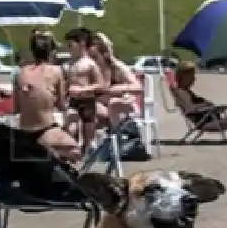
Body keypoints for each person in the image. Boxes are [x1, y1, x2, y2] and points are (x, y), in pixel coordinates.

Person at [12, 31, 80, 161]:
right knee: (75, 150)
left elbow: (17, 108)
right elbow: (61, 105)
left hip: (23, 130)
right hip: (44, 129)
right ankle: (54, 163)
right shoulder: (56, 71)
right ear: (51, 52)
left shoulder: (20, 72)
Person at [171, 60, 227, 134]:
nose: (194, 79)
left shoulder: (186, 91)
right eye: (191, 76)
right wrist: (209, 106)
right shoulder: (181, 92)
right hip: (207, 123)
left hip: (210, 119)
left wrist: (217, 107)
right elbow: (190, 109)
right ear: (182, 76)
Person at [63, 27, 107, 151]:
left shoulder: (90, 64)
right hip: (73, 101)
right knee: (71, 127)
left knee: (89, 136)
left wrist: (83, 90)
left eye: (71, 44)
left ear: (81, 43)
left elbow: (101, 84)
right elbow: (65, 85)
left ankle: (87, 153)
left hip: (87, 101)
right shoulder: (69, 64)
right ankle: (73, 152)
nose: (69, 47)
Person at [90, 32, 140, 131]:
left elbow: (138, 87)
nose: (92, 61)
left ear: (104, 54)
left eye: (94, 57)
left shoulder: (117, 67)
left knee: (113, 104)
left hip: (122, 106)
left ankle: (117, 135)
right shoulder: (90, 70)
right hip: (101, 109)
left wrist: (118, 88)